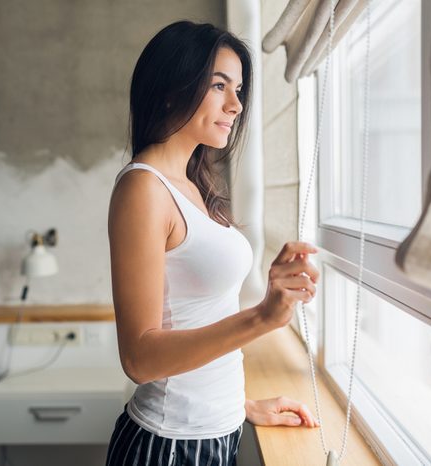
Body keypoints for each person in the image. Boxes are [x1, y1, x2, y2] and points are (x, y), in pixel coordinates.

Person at [106, 20, 320, 466]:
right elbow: (140, 358)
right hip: (168, 447)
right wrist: (263, 316)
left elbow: (195, 315)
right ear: (171, 88)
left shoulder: (190, 185)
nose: (236, 104)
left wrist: (242, 407)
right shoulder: (144, 190)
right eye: (218, 85)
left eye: (238, 89)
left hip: (214, 435)